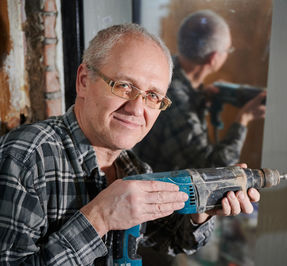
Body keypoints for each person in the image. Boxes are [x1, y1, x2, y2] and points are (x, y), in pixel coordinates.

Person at [0, 24, 260, 265]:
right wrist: (99, 218)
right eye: (124, 86)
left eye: (152, 96)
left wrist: (203, 211)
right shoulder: (26, 156)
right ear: (83, 81)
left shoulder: (132, 167)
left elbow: (171, 238)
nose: (137, 108)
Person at [134, 10, 266, 172]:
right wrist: (243, 119)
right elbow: (213, 169)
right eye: (228, 50)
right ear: (214, 58)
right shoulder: (177, 102)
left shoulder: (166, 71)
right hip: (161, 188)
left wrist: (199, 99)